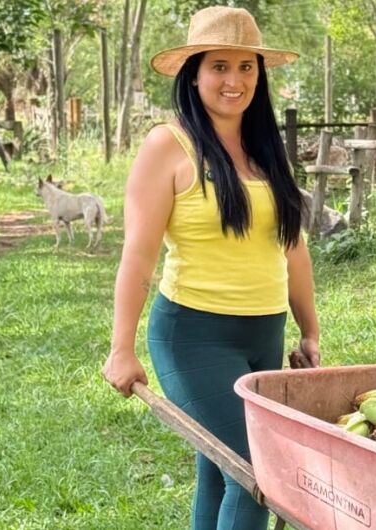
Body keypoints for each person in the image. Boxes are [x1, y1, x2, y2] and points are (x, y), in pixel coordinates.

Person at [101, 6, 319, 530]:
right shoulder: (167, 146)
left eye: (247, 68)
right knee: (253, 470)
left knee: (219, 471)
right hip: (192, 336)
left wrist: (309, 330)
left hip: (265, 335)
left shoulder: (265, 149)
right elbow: (138, 254)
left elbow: (292, 247)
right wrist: (120, 348)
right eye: (220, 66)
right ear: (193, 72)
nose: (234, 80)